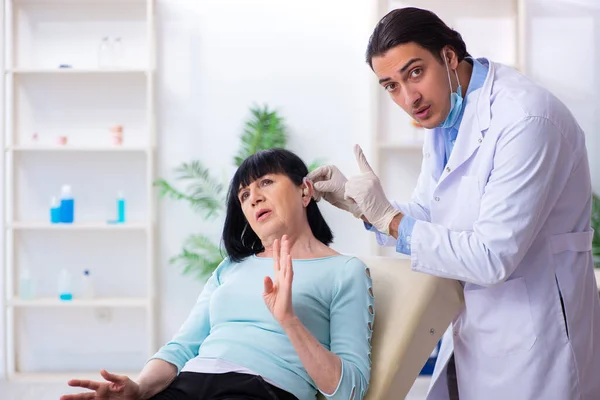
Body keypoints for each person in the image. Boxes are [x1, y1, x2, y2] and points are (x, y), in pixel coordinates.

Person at [308, 7, 600, 400]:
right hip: (476, 330)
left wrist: (390, 219)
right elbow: (432, 218)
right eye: (391, 85)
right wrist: (362, 208)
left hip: (537, 340)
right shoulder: (447, 115)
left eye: (415, 72)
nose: (409, 97)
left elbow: (491, 256)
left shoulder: (527, 120)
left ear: (448, 56)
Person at [60, 149, 374, 400]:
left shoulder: (345, 271)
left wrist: (289, 320)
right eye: (244, 195)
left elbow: (350, 391)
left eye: (265, 182)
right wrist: (140, 388)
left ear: (305, 191)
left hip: (262, 389)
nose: (254, 197)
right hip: (187, 385)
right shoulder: (231, 268)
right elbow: (182, 348)